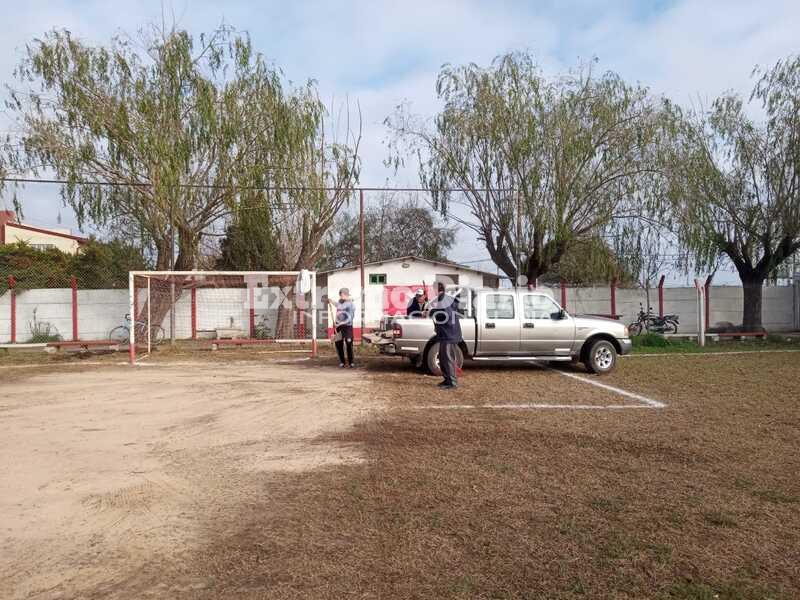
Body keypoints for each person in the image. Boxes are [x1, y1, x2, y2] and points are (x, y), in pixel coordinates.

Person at [428, 282, 462, 389]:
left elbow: (445, 315)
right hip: (446, 334)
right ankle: (447, 380)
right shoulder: (443, 299)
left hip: (449, 334)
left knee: (447, 359)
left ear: (437, 289)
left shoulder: (444, 299)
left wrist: (432, 312)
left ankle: (452, 382)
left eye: (432, 289)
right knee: (443, 359)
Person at [329, 287, 355, 368]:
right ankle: (342, 362)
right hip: (338, 327)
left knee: (348, 343)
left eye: (343, 295)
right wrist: (331, 301)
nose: (341, 296)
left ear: (346, 295)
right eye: (341, 295)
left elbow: (350, 318)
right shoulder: (341, 302)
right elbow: (338, 305)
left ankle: (351, 362)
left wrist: (339, 324)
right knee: (338, 344)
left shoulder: (351, 304)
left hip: (347, 327)